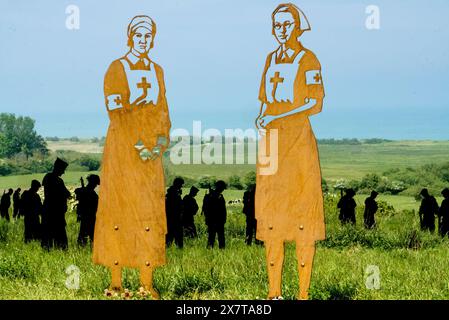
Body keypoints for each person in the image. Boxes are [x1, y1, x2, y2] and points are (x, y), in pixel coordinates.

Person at [93, 15, 171, 299]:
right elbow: (117, 111)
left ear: (153, 38)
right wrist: (139, 146)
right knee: (119, 212)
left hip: (151, 155)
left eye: (148, 36)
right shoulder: (117, 68)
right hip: (123, 152)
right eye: (138, 35)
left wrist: (159, 143)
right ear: (130, 37)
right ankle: (116, 283)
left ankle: (145, 283)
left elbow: (163, 109)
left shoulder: (157, 70)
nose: (143, 40)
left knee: (148, 212)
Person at [254, 3, 326, 300]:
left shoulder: (308, 59)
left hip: (297, 141)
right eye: (277, 25)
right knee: (271, 212)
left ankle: (303, 294)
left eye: (286, 24)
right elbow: (263, 98)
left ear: (297, 27)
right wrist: (261, 118)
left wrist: (279, 117)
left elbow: (315, 102)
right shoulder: (271, 58)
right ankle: (274, 292)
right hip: (271, 141)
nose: (281, 30)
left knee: (302, 214)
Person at [41, 158, 71, 250]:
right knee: (51, 233)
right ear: (58, 168)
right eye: (63, 170)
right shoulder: (50, 178)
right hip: (51, 211)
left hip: (56, 212)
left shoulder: (55, 179)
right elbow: (63, 193)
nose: (63, 172)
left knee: (58, 234)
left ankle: (58, 250)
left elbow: (67, 193)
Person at [75, 175, 100, 246]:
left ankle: (83, 247)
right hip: (88, 216)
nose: (95, 186)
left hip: (87, 215)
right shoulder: (90, 192)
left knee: (85, 233)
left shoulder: (87, 191)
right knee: (88, 234)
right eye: (95, 184)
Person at [204, 180, 227, 249]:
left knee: (217, 237)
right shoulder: (212, 196)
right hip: (214, 219)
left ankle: (219, 250)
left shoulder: (216, 195)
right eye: (222, 187)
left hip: (218, 220)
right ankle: (217, 250)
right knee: (214, 237)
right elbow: (208, 209)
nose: (223, 189)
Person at [165, 178, 184, 248]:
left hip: (170, 219)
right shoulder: (174, 194)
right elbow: (177, 206)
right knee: (177, 238)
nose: (181, 186)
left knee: (169, 238)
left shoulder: (170, 193)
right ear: (178, 184)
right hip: (175, 219)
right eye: (181, 185)